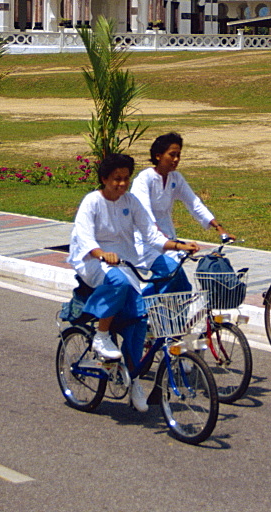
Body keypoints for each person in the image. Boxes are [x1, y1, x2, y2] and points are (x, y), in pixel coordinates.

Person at [67, 152, 196, 412]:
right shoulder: (92, 201)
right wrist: (102, 254)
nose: (122, 184)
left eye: (126, 179)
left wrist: (179, 245)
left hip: (125, 262)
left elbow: (151, 234)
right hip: (92, 262)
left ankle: (134, 379)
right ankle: (102, 335)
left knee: (139, 320)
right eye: (116, 179)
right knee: (121, 284)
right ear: (104, 179)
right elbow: (85, 237)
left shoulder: (131, 202)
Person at [131, 132, 233, 292]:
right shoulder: (144, 179)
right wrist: (179, 245)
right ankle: (140, 312)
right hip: (144, 243)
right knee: (169, 274)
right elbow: (146, 217)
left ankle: (164, 315)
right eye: (172, 155)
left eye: (178, 155)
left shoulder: (175, 178)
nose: (176, 159)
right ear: (158, 156)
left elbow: (194, 203)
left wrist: (218, 228)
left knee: (183, 288)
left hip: (168, 241)